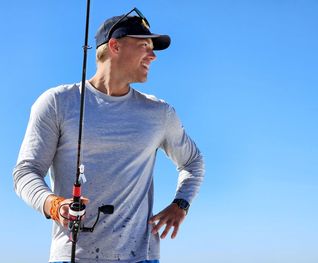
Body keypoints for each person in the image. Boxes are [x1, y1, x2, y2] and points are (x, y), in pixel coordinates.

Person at [13, 8, 204, 263]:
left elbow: (193, 162)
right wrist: (54, 205)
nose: (153, 56)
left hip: (141, 258)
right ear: (114, 46)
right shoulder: (57, 103)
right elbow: (26, 172)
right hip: (71, 257)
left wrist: (181, 204)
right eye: (145, 45)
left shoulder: (160, 113)